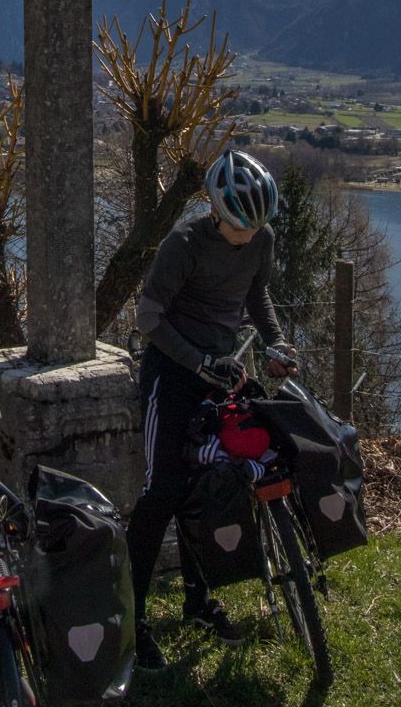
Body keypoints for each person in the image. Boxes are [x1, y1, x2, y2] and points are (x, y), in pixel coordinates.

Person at [126, 148, 298, 672]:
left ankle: (199, 603)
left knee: (213, 486)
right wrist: (199, 362)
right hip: (171, 374)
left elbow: (257, 296)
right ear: (217, 212)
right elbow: (148, 318)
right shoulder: (184, 243)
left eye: (256, 228)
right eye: (239, 227)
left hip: (218, 371)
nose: (249, 237)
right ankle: (132, 623)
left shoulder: (261, 237)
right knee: (164, 491)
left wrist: (275, 343)